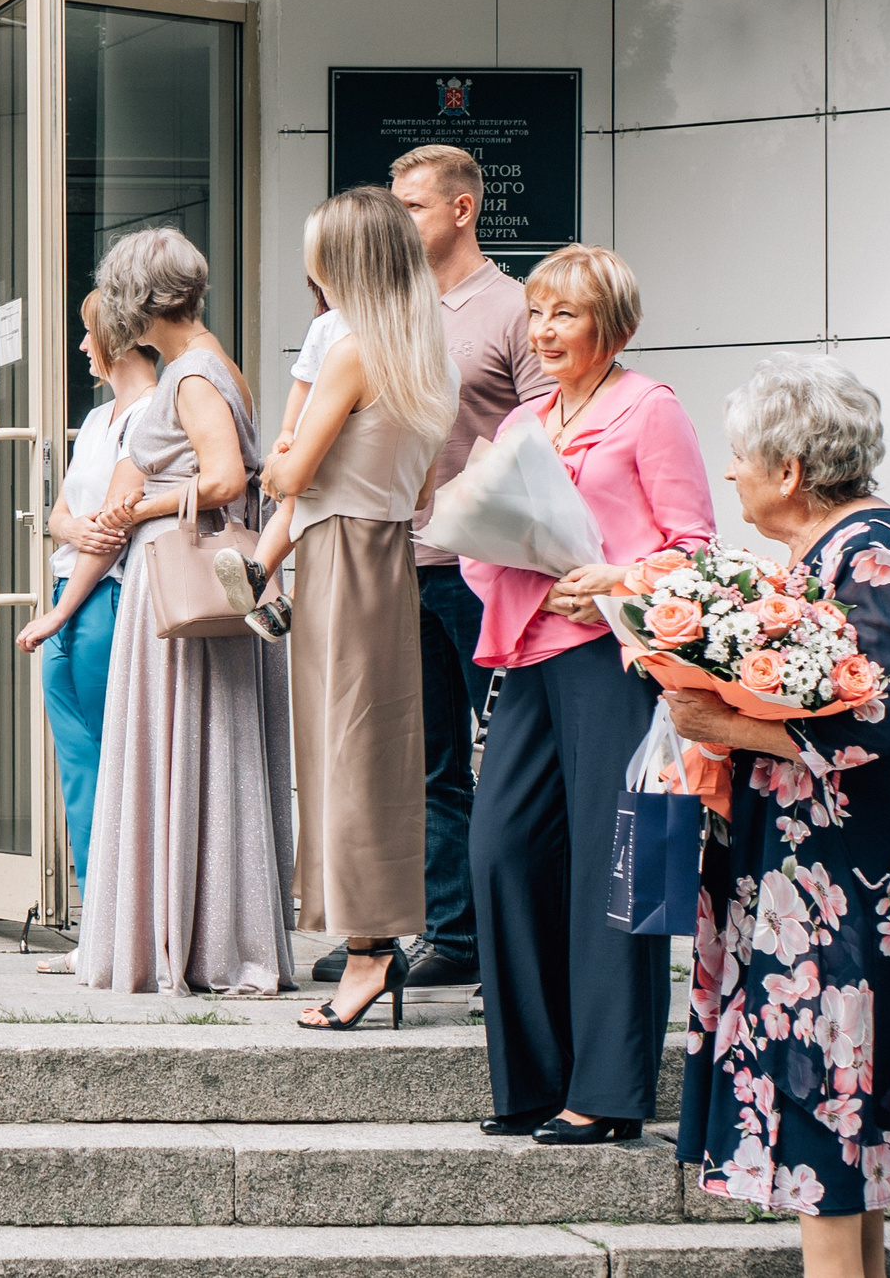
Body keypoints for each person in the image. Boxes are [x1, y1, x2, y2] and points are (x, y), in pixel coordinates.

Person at [671, 354, 890, 1273]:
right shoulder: (863, 545)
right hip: (851, 877)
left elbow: (883, 721)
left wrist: (726, 721)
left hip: (840, 892)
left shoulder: (861, 557)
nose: (732, 472)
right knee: (846, 1139)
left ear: (790, 469)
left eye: (741, 455)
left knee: (827, 1125)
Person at [463, 244, 715, 1145]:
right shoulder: (524, 420)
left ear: (613, 324)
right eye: (537, 314)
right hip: (527, 654)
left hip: (614, 661)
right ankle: (531, 1078)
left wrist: (615, 578)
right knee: (500, 850)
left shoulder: (651, 409)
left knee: (617, 867)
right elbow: (481, 543)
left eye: (564, 313)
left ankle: (607, 1093)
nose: (545, 330)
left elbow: (693, 546)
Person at [226, 189, 457, 1033]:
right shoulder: (426, 351)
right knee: (373, 752)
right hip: (387, 549)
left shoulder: (352, 352)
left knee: (347, 755)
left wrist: (288, 454)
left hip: (338, 551)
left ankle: (368, 951)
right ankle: (372, 940)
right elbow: (426, 488)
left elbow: (284, 478)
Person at [75, 228, 295, 996]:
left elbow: (229, 477)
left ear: (138, 299)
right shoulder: (207, 361)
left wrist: (140, 508)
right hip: (193, 584)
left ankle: (193, 938)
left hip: (180, 584)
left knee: (186, 746)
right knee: (208, 752)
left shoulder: (192, 373)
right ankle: (205, 930)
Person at [384, 143, 552, 991]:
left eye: (412, 205)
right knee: (431, 757)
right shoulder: (392, 306)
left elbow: (544, 436)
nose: (398, 219)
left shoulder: (516, 310)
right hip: (399, 559)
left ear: (460, 209)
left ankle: (512, 936)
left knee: (504, 754)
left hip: (480, 569)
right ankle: (451, 932)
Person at [16, 290, 158, 921]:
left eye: (88, 334)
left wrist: (57, 613)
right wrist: (68, 532)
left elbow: (113, 532)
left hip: (104, 600)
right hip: (70, 596)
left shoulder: (151, 415)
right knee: (79, 767)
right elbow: (65, 518)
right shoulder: (100, 418)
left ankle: (129, 919)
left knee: (116, 762)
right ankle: (98, 918)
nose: (81, 347)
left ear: (121, 338)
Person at [207, 280, 349, 643]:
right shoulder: (328, 325)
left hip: (345, 448)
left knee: (315, 528)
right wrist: (288, 431)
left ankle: (285, 600)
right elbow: (303, 383)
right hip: (316, 444)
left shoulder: (354, 331)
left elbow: (303, 385)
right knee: (293, 509)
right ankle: (260, 572)